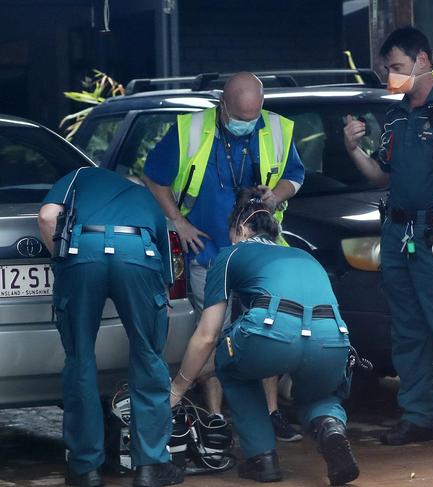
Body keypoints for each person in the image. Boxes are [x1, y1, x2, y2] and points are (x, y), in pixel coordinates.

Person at [343, 27, 433, 448]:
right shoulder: (396, 115)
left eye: (398, 67)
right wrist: (353, 149)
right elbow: (381, 175)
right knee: (407, 332)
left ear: (423, 60)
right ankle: (418, 416)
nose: (391, 75)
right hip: (397, 231)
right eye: (388, 68)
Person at [143, 72, 305, 441]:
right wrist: (178, 221)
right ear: (223, 105)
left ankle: (272, 412)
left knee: (263, 330)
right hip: (209, 251)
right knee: (212, 333)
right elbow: (154, 177)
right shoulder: (190, 130)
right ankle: (216, 415)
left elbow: (296, 175)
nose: (248, 125)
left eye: (254, 118)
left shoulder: (276, 128)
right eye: (240, 118)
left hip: (259, 253)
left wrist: (277, 195)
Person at [168, 187, 359, 485]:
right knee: (319, 393)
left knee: (229, 365)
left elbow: (208, 334)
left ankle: (262, 458)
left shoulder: (231, 254)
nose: (231, 239)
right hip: (332, 338)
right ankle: (330, 426)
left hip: (273, 331)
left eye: (232, 233)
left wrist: (178, 387)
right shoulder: (303, 256)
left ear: (241, 229)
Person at [38, 167, 183, 487]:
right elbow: (164, 268)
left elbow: (48, 217)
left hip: (81, 249)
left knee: (80, 360)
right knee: (148, 357)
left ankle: (85, 468)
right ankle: (151, 467)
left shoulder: (77, 176)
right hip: (139, 250)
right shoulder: (146, 197)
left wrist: (64, 268)